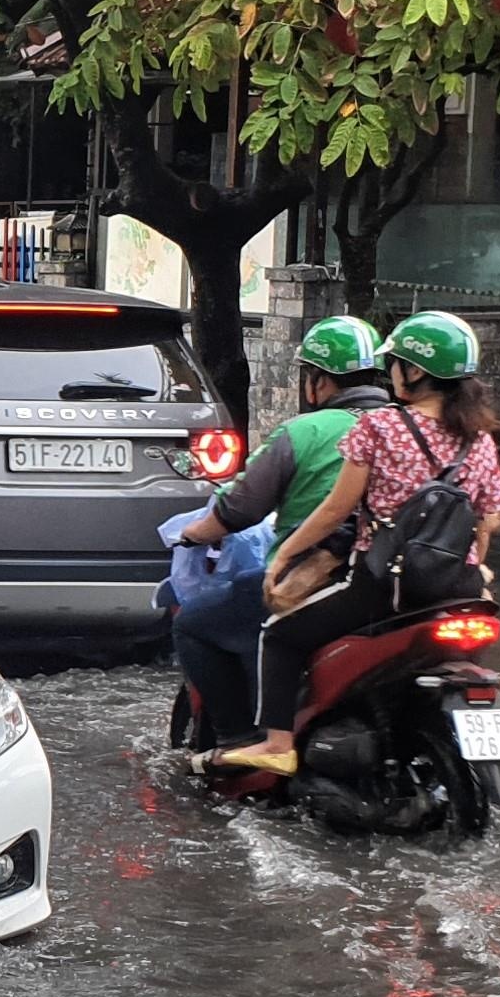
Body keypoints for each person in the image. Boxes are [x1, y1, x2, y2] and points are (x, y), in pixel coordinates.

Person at [222, 311, 500, 778]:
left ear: (414, 371)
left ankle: (276, 744)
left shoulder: (378, 428)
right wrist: (479, 564)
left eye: (395, 362)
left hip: (383, 588)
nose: (392, 371)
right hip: (459, 592)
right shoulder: (477, 439)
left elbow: (336, 511)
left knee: (278, 633)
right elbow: (492, 515)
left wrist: (288, 555)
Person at [165, 316, 389, 743]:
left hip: (325, 580)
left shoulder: (306, 432)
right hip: (407, 582)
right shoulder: (414, 429)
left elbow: (241, 508)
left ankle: (237, 740)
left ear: (317, 381)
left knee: (194, 623)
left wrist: (195, 533)